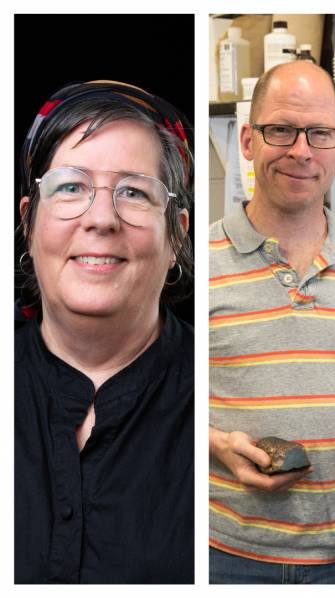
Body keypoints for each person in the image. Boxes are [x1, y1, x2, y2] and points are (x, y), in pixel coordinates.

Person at [209, 61, 335, 584]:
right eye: (281, 129)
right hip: (226, 554)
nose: (301, 150)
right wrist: (216, 444)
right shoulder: (193, 265)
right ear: (248, 139)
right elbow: (163, 401)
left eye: (320, 133)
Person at [14, 81, 194, 584]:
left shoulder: (220, 393)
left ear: (175, 235)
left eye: (134, 192)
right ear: (30, 221)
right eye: (70, 186)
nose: (100, 219)